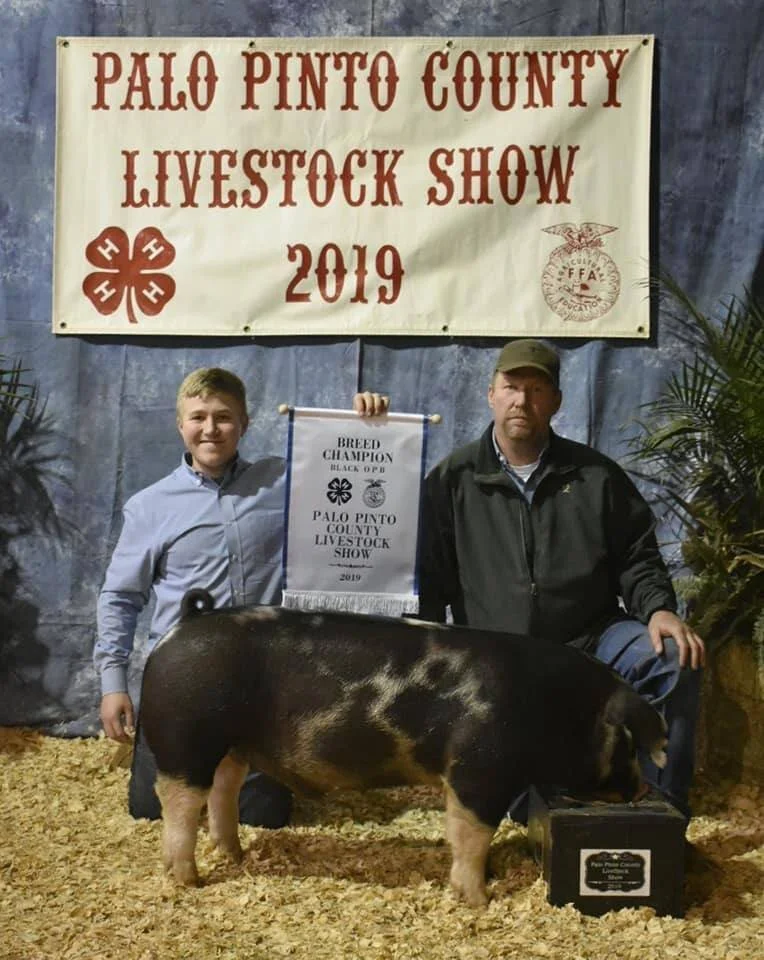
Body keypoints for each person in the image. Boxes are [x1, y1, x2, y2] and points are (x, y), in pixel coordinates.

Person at [418, 338, 705, 822]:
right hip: (499, 659)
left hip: (592, 637)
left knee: (674, 658)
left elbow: (638, 556)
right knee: (523, 812)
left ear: (556, 401)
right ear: (490, 394)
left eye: (536, 389)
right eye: (511, 387)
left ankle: (662, 817)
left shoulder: (596, 476)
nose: (521, 401)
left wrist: (658, 609)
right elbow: (429, 577)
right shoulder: (451, 480)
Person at [95, 367, 388, 826]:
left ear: (245, 424)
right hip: (180, 682)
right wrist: (113, 683)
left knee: (264, 816)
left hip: (261, 684)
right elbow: (119, 598)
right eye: (198, 417)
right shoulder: (149, 506)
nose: (210, 428)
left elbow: (345, 472)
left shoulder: (284, 485)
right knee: (150, 811)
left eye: (224, 417)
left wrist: (363, 424)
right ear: (180, 425)